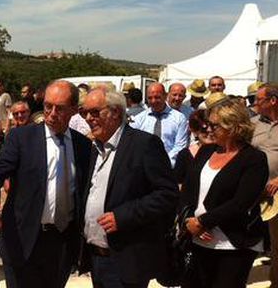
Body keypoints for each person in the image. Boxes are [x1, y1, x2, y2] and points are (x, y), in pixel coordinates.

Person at [0, 80, 91, 288]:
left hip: (62, 243)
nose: (51, 113)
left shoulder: (83, 145)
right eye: (48, 106)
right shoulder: (22, 138)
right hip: (23, 239)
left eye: (59, 108)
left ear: (74, 110)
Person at [79, 88, 179, 288]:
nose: (89, 118)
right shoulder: (93, 148)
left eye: (95, 112)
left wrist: (123, 216)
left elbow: (167, 195)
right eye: (84, 113)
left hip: (126, 259)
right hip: (96, 257)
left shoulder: (144, 145)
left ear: (115, 112)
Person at [182, 98, 268, 288]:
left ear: (233, 127)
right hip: (197, 241)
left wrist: (203, 222)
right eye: (207, 124)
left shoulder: (253, 159)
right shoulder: (206, 151)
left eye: (214, 125)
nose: (208, 129)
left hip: (233, 244)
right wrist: (188, 221)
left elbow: (241, 202)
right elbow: (187, 191)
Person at [252, 83, 278, 286]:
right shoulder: (253, 124)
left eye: (258, 100)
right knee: (274, 242)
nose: (254, 104)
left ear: (272, 101)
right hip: (260, 193)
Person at [131, 83, 189, 167]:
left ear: (165, 96)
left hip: (169, 167)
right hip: (144, 167)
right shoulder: (139, 119)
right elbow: (133, 144)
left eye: (157, 97)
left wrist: (163, 163)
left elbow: (180, 146)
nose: (153, 101)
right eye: (150, 98)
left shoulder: (179, 118)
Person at [174, 110, 215, 186]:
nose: (209, 131)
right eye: (203, 129)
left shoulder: (222, 151)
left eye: (213, 127)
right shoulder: (185, 155)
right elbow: (178, 182)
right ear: (194, 131)